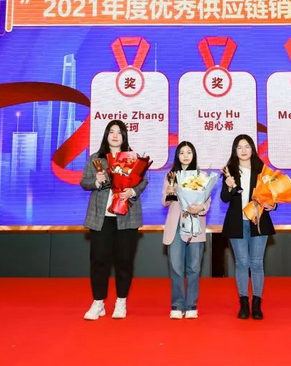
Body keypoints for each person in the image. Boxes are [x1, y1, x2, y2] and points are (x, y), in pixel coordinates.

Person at [80, 120, 148, 320]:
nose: (115, 135)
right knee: (99, 261)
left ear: (124, 136)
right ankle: (98, 303)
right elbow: (84, 182)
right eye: (111, 132)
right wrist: (96, 181)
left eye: (119, 132)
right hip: (101, 218)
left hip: (126, 216)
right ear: (106, 135)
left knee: (124, 261)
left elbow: (143, 180)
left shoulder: (133, 158)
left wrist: (132, 191)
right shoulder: (96, 158)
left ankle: (121, 301)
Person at [221, 134, 275, 320]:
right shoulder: (229, 171)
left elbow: (273, 196)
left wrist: (272, 205)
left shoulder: (263, 171)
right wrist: (229, 187)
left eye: (247, 146)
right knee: (242, 263)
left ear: (252, 149)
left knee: (257, 263)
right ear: (235, 151)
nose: (243, 151)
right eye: (239, 147)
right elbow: (224, 199)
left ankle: (257, 303)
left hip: (258, 222)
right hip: (237, 222)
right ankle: (243, 303)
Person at [162, 141, 210, 319]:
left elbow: (207, 202)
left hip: (195, 225)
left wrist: (200, 208)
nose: (185, 155)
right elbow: (165, 202)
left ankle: (191, 305)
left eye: (189, 152)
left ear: (193, 155)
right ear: (177, 156)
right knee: (176, 267)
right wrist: (169, 192)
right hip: (176, 225)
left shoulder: (202, 176)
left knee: (194, 267)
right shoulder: (171, 175)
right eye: (182, 152)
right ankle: (177, 305)